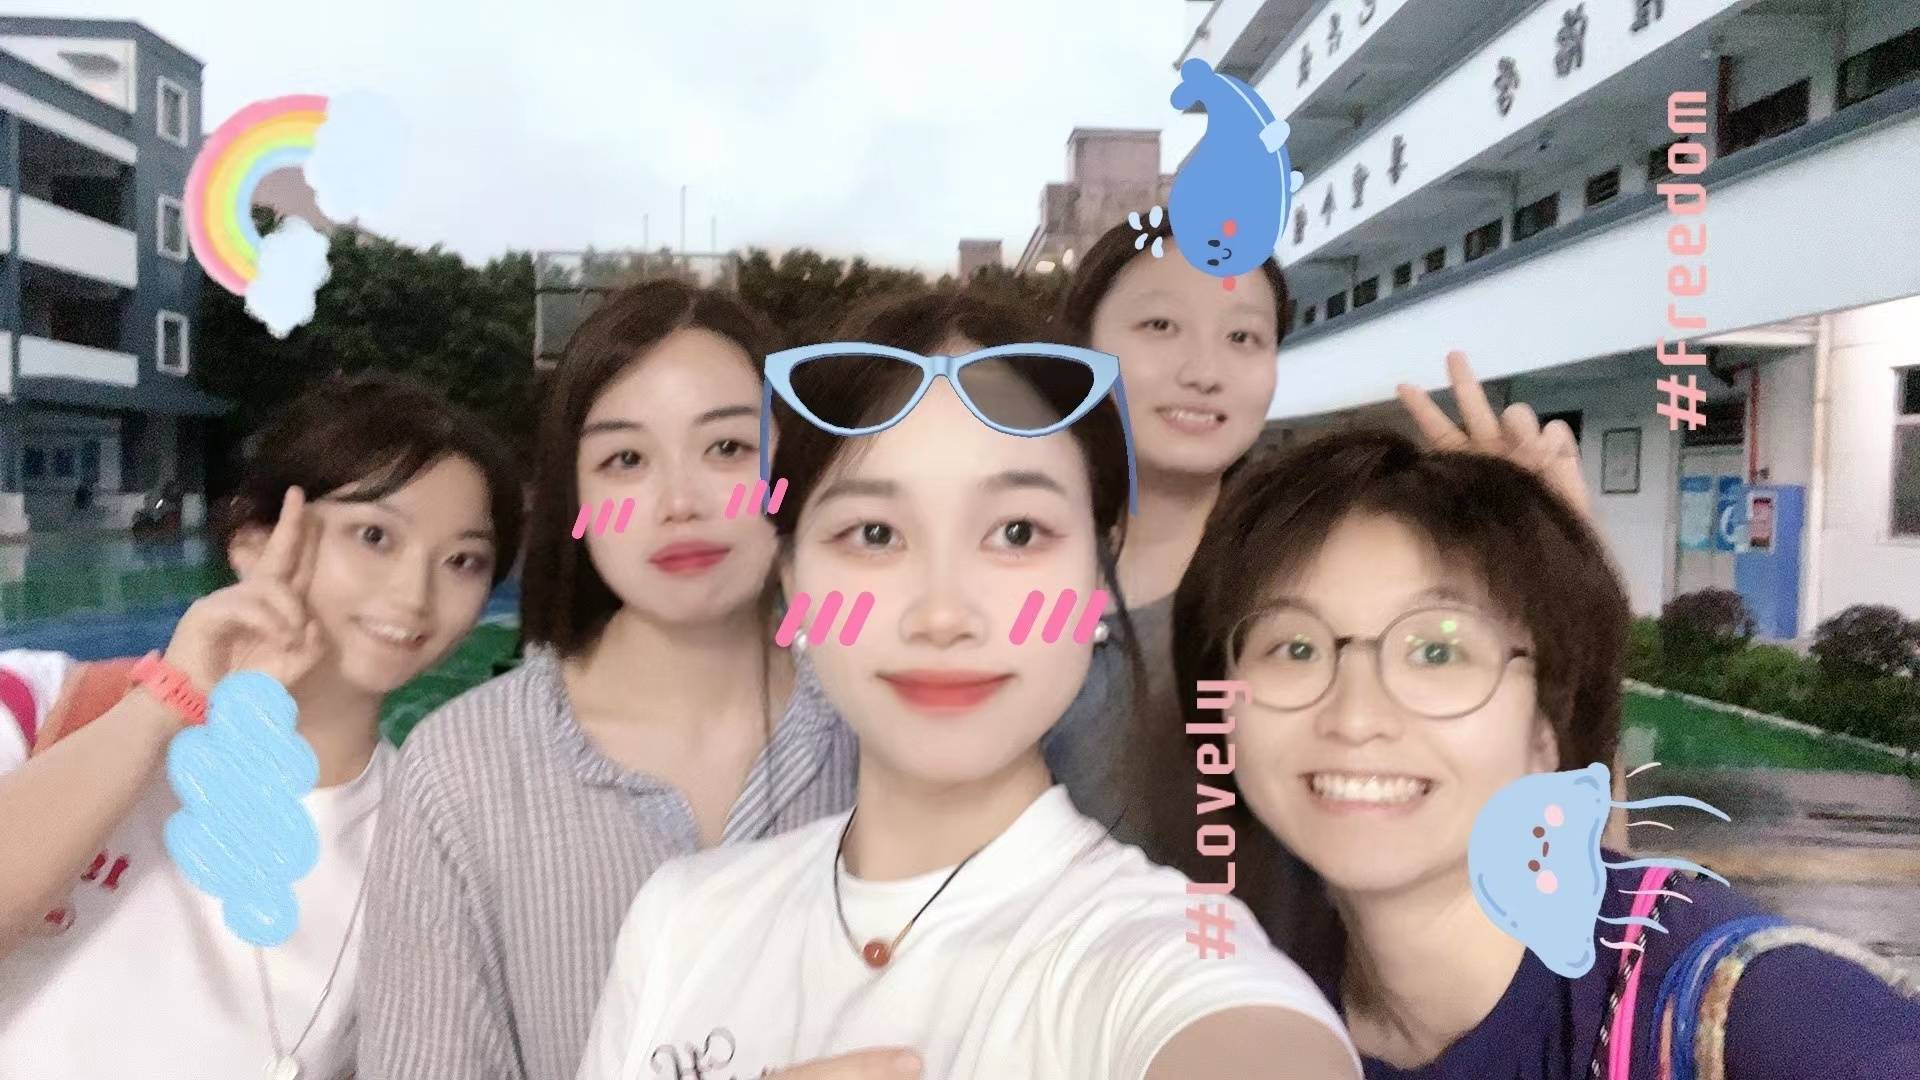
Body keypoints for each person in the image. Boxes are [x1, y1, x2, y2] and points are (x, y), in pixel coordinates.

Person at [577, 290, 1361, 1080]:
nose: (944, 614)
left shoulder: (1167, 952)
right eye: (874, 534)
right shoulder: (680, 920)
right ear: (792, 578)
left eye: (1017, 532)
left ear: (1099, 572)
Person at [1125, 426, 1920, 1079]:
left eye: (1438, 651)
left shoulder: (1759, 1015)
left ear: (1549, 722)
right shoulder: (1238, 1004)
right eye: (1294, 647)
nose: (1356, 716)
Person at [357, 280, 858, 1080]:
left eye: (729, 448)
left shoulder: (881, 728)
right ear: (577, 499)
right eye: (626, 460)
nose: (679, 502)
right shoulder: (464, 771)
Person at [0, 372, 525, 1080]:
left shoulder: (429, 842)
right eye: (375, 535)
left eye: (463, 560)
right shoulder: (40, 706)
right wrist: (166, 704)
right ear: (252, 539)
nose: (414, 592)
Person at [1042, 214, 1583, 834]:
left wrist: (1542, 561)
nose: (1204, 371)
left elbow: (1574, 845)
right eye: (1160, 325)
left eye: (1243, 337)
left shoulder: (1348, 584)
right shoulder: (1015, 592)